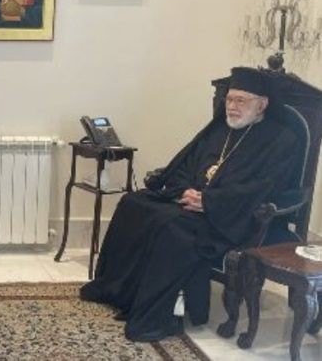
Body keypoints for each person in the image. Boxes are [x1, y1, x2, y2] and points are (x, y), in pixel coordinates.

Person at [80, 67, 300, 342]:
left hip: (231, 216)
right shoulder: (220, 129)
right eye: (229, 99)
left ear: (262, 104)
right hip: (193, 201)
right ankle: (119, 292)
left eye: (240, 100)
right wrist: (186, 190)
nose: (231, 106)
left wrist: (209, 201)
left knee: (171, 227)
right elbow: (186, 165)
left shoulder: (281, 140)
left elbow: (264, 188)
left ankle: (159, 314)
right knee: (133, 203)